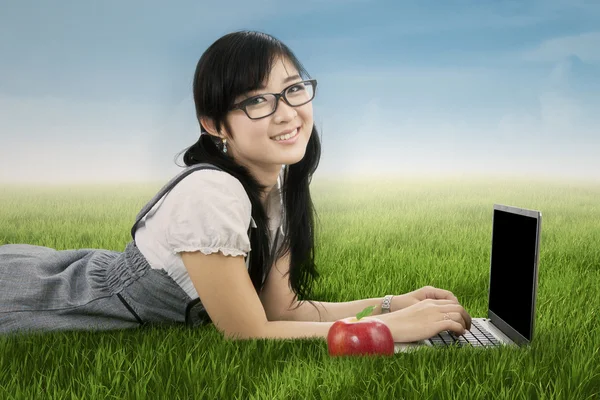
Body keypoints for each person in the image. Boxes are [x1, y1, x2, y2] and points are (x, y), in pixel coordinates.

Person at [0, 30, 471, 342]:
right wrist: (394, 327)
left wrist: (392, 303)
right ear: (214, 124)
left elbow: (282, 314)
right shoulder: (213, 194)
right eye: (256, 101)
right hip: (56, 297)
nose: (286, 112)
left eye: (292, 90)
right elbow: (248, 332)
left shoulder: (276, 192)